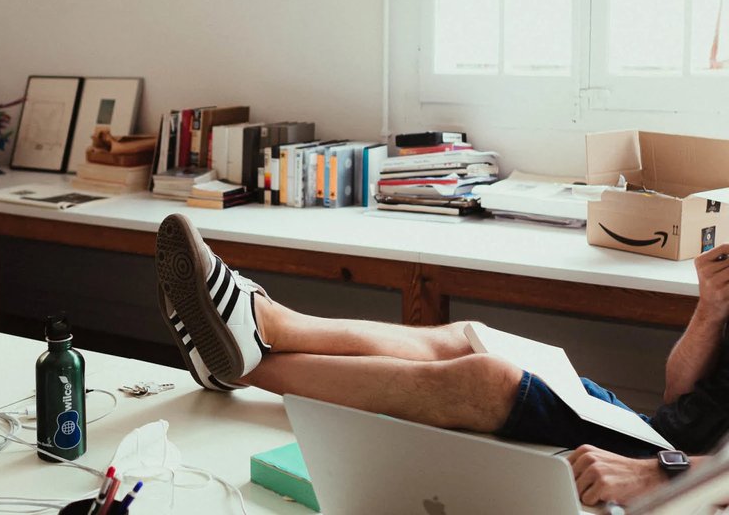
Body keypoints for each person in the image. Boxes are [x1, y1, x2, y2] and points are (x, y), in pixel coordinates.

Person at [154, 212, 725, 508]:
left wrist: (659, 474)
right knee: (469, 339)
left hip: (689, 476)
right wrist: (711, 311)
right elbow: (683, 400)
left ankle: (247, 354)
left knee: (489, 380)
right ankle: (264, 328)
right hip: (659, 434)